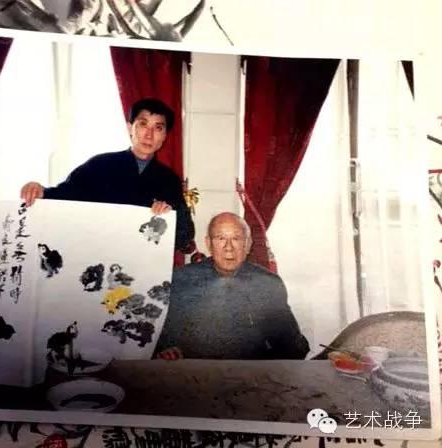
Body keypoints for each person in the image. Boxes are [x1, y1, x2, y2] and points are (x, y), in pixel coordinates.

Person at [20, 98, 194, 252]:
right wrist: (41, 192)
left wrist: (168, 216)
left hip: (142, 262)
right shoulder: (99, 165)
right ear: (130, 128)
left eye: (158, 128)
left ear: (164, 136)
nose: (149, 135)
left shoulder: (169, 179)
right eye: (143, 124)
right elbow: (65, 195)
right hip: (94, 255)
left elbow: (185, 237)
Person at [155, 212, 310, 360]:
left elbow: (291, 347)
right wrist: (165, 352)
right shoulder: (181, 279)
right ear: (209, 243)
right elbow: (158, 339)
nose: (228, 247)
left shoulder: (268, 284)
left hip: (249, 374)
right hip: (192, 372)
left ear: (248, 244)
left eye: (236, 238)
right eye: (221, 238)